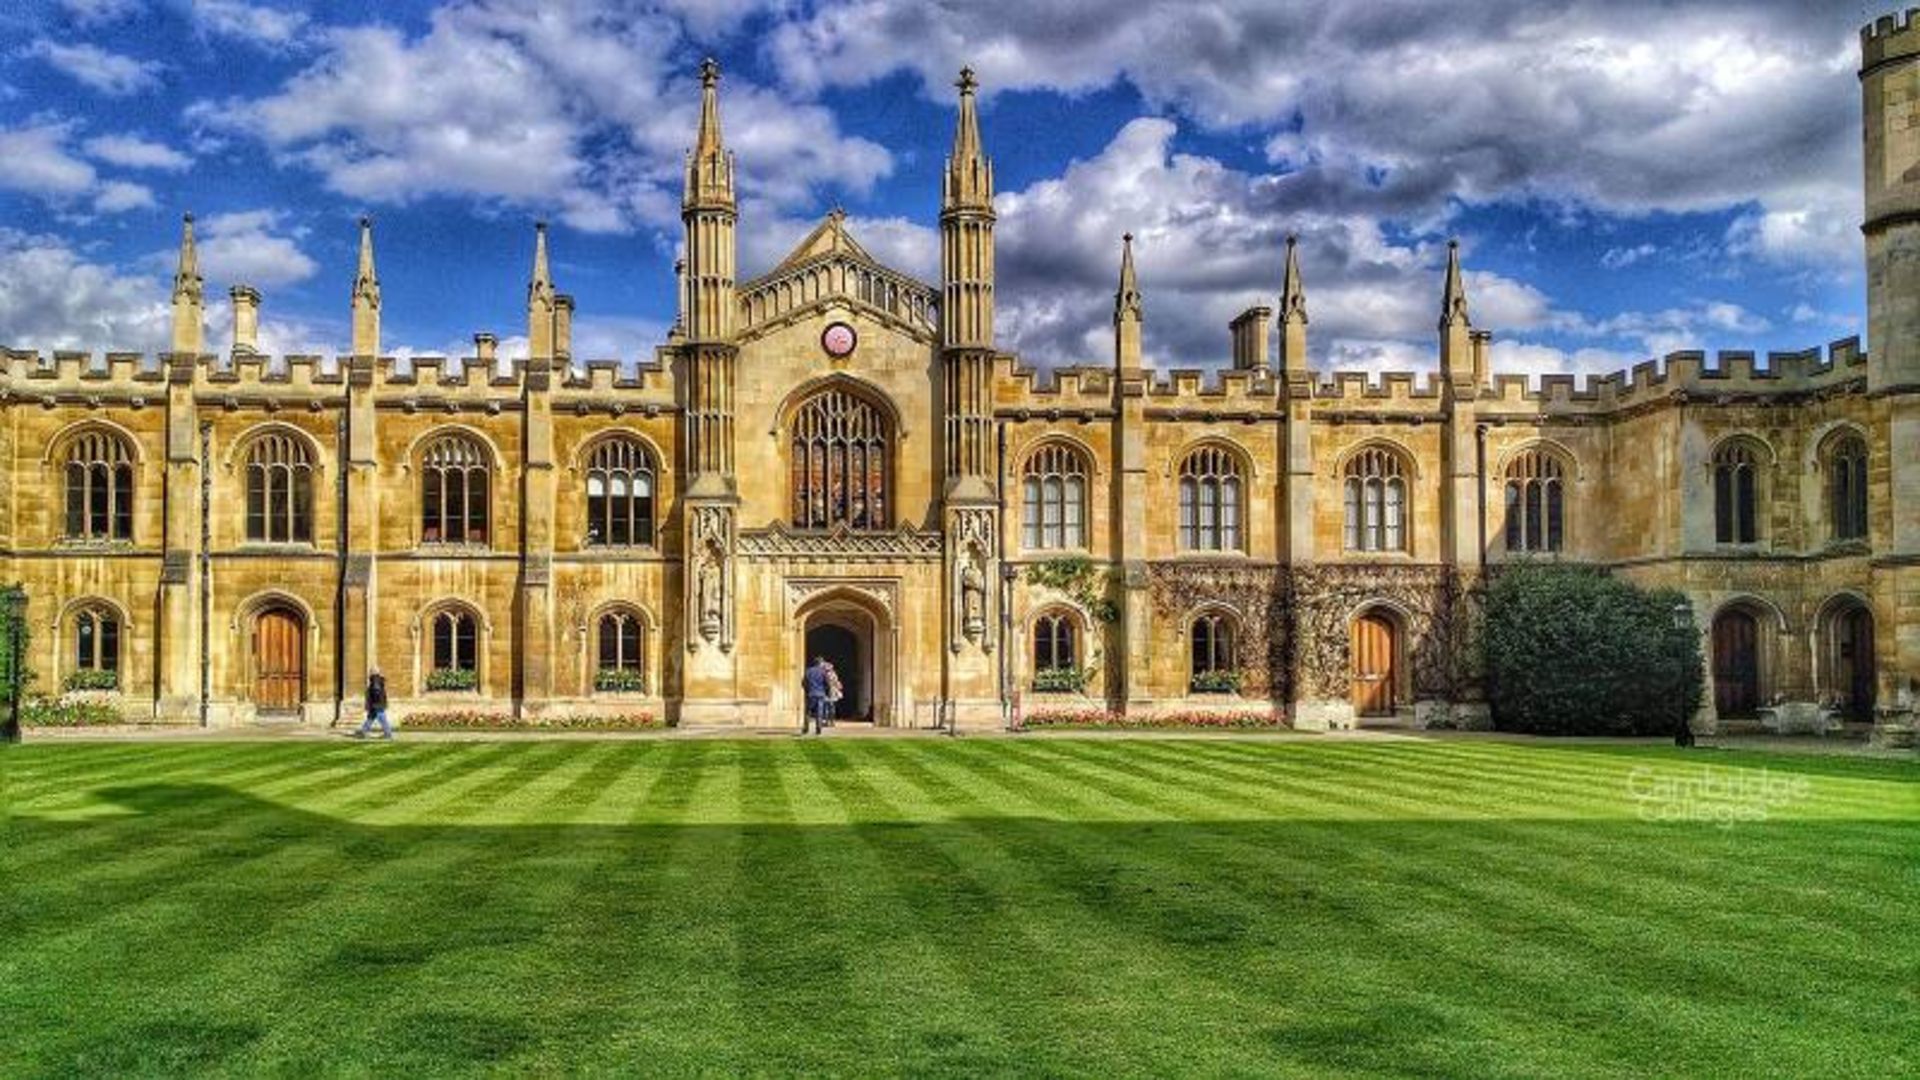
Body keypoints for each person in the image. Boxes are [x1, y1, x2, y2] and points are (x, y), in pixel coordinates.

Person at [354, 671, 392, 740]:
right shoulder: (378, 682)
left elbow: (376, 694)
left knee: (382, 719)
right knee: (370, 718)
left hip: (377, 705)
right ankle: (363, 732)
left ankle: (387, 734)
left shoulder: (375, 681)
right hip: (377, 704)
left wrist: (373, 704)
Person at [802, 656, 831, 735]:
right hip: (820, 694)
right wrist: (827, 693)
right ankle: (818, 728)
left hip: (811, 694)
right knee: (819, 712)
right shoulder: (823, 672)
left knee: (808, 712)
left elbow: (804, 683)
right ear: (820, 663)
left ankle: (806, 728)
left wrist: (807, 691)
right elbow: (827, 684)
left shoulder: (808, 671)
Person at [823, 662, 843, 729]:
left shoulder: (825, 675)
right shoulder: (834, 674)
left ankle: (828, 721)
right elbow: (837, 683)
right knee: (831, 707)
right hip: (832, 692)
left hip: (827, 692)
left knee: (827, 707)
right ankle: (832, 721)